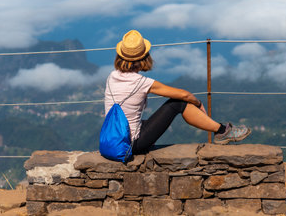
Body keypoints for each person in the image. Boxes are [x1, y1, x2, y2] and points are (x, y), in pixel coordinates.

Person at [104, 30, 251, 154]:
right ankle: (222, 131)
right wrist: (198, 102)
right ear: (144, 57)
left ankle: (221, 130)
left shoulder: (112, 76)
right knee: (177, 103)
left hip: (111, 140)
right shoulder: (141, 82)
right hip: (132, 145)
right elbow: (183, 95)